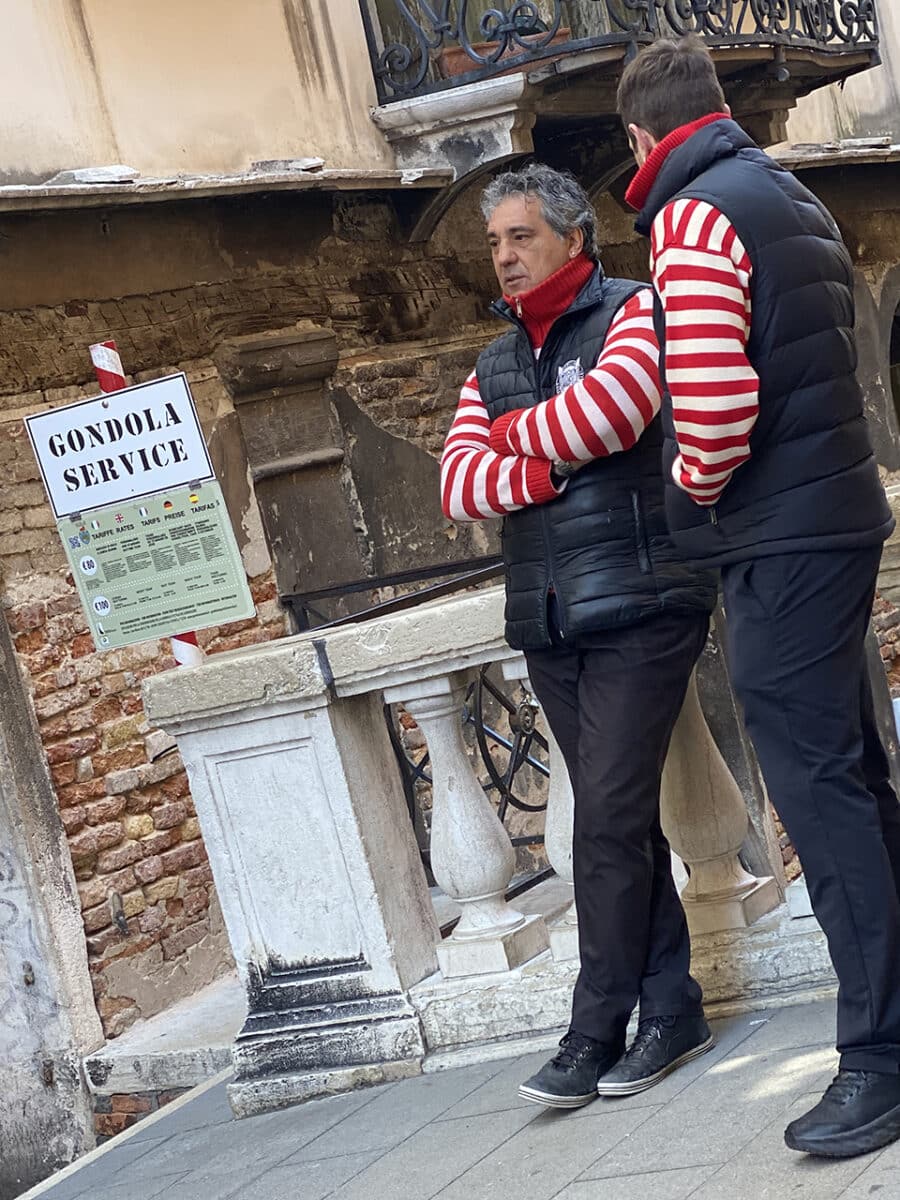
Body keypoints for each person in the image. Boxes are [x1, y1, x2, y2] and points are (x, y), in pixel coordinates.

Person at [617, 35, 900, 1158]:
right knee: (860, 780)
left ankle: (878, 1060)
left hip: (777, 541)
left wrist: (689, 483)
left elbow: (718, 409)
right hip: (837, 519)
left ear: (643, 138)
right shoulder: (791, 195)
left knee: (820, 803)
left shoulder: (690, 218)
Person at [440, 163, 719, 1109]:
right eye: (493, 244)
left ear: (572, 239)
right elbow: (458, 485)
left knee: (600, 819)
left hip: (646, 602)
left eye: (521, 238)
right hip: (551, 620)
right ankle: (672, 1010)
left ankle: (594, 1025)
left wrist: (517, 439)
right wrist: (549, 460)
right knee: (620, 821)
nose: (505, 258)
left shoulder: (634, 311)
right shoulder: (492, 361)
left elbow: (618, 411)